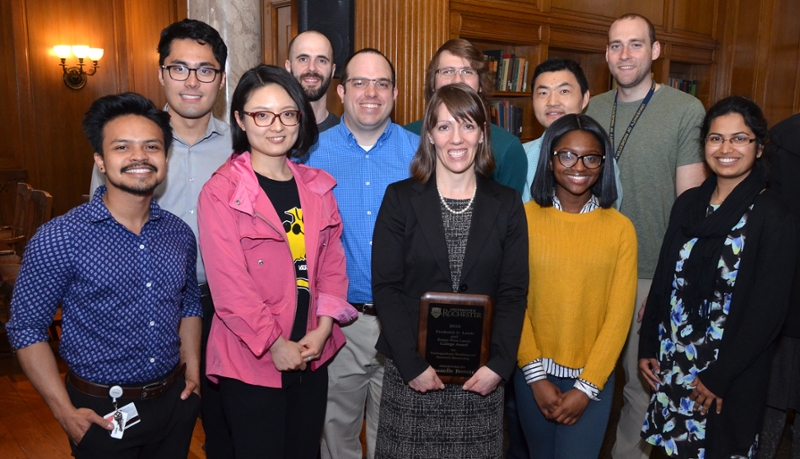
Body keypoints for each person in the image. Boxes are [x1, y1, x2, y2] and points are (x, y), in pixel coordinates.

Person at [7, 92, 202, 458]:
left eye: (151, 146)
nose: (139, 157)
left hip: (173, 403)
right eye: (122, 147)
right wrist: (64, 413)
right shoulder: (60, 237)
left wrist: (192, 372)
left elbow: (189, 302)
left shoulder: (179, 233)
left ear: (164, 157)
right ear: (100, 160)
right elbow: (26, 328)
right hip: (100, 413)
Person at [88, 18, 233, 458]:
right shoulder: (129, 147)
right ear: (161, 73)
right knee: (152, 435)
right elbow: (98, 231)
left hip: (228, 310)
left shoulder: (243, 147)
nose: (192, 81)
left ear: (221, 79)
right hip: (148, 309)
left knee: (228, 431)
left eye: (205, 70)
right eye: (179, 68)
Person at [197, 64, 356, 458]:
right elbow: (229, 286)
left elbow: (333, 265)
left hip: (311, 352)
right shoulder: (221, 192)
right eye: (262, 115)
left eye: (288, 113)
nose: (277, 125)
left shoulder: (317, 186)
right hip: (252, 359)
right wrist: (273, 344)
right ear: (240, 119)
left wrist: (323, 328)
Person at [372, 83, 528, 458]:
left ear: (482, 134)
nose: (456, 138)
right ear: (430, 135)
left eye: (468, 126)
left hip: (481, 380)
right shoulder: (399, 199)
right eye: (444, 127)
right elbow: (386, 288)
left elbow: (513, 293)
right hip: (413, 377)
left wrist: (500, 366)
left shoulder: (506, 204)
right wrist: (411, 365)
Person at [638, 95, 797, 458]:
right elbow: (665, 279)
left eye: (739, 138)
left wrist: (719, 375)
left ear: (759, 148)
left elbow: (768, 312)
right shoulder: (688, 203)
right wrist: (648, 344)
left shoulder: (773, 215)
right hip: (673, 360)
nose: (726, 148)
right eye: (715, 138)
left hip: (727, 373)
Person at [583, 13, 707, 458]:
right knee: (588, 379)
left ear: (655, 51)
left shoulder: (684, 110)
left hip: (649, 271)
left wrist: (665, 289)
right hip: (591, 269)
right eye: (616, 45)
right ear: (607, 55)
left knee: (640, 387)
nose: (625, 54)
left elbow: (689, 210)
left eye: (636, 44)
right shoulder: (592, 109)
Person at [304, 48, 419, 459]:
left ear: (396, 93)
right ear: (341, 90)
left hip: (402, 323)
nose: (371, 92)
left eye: (382, 83)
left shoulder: (422, 153)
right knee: (336, 437)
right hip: (337, 323)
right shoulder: (310, 154)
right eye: (359, 82)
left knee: (395, 441)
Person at [515, 113, 637, 457]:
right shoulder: (522, 218)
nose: (578, 166)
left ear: (603, 164)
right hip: (532, 376)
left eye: (591, 157)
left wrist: (586, 387)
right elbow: (514, 301)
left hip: (593, 381)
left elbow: (618, 316)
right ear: (550, 159)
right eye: (566, 155)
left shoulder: (619, 228)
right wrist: (536, 377)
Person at [405, 38, 528, 196]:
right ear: (433, 83)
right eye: (447, 71)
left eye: (467, 72)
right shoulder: (406, 136)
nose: (457, 80)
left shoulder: (508, 148)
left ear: (481, 84)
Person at [522, 57, 622, 208]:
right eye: (543, 93)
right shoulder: (521, 156)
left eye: (564, 91)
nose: (553, 102)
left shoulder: (600, 158)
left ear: (585, 98)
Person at [758, 111, 800, 458]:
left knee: (770, 398)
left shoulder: (781, 137)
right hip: (784, 296)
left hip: (781, 293)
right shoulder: (784, 139)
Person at [285, 30, 339, 132]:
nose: (312, 68)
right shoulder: (274, 135)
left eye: (321, 60)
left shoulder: (346, 137)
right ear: (288, 67)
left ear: (333, 71)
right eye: (303, 59)